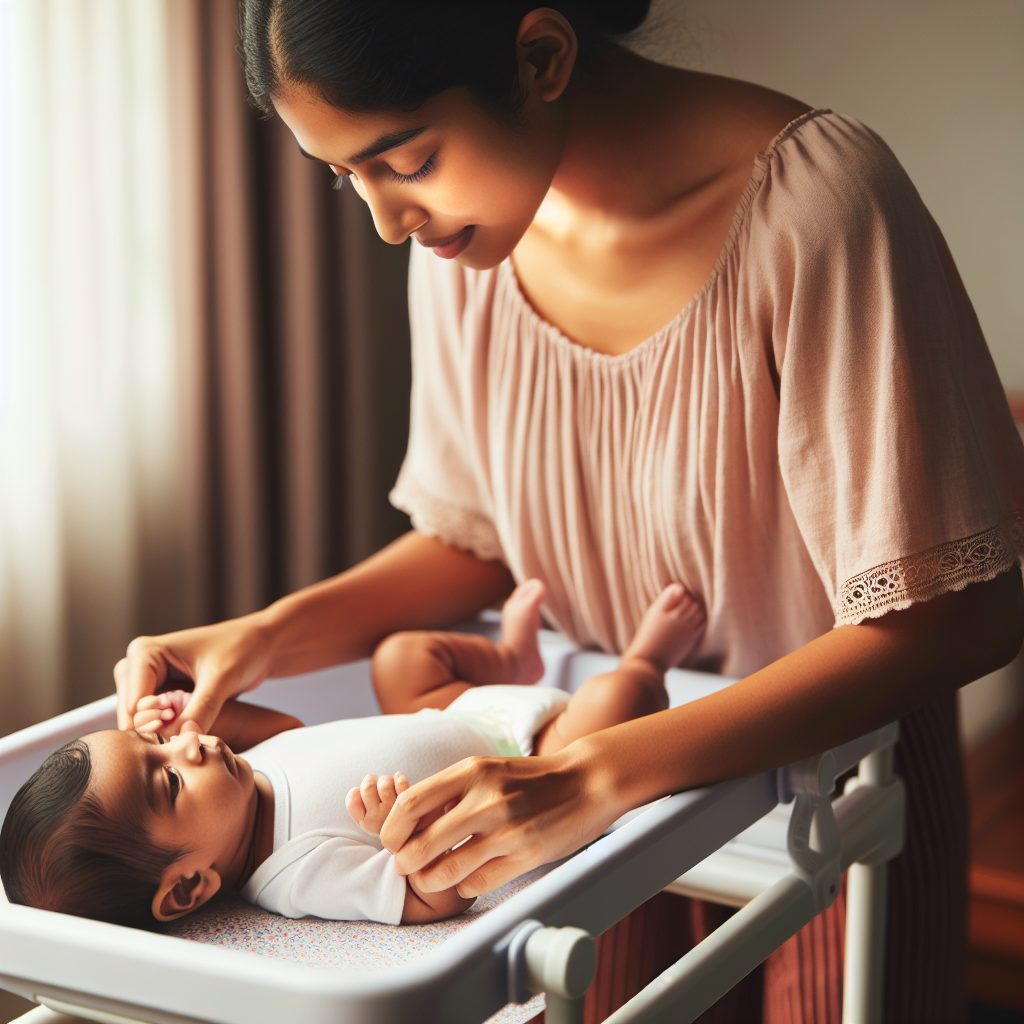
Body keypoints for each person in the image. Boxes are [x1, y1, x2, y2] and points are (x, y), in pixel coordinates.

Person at [116, 2, 1024, 1020]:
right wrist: (271, 632)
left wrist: (594, 773)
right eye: (344, 177)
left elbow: (960, 609)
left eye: (403, 159)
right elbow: (476, 542)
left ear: (540, 56)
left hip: (820, 796)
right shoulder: (465, 250)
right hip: (579, 814)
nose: (383, 220)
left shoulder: (816, 212)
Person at [0, 582, 700, 928]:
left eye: (158, 743)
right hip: (534, 764)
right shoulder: (295, 874)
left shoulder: (247, 785)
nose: (192, 743)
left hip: (457, 711)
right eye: (170, 779)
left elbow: (290, 725)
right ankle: (649, 657)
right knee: (612, 697)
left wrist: (187, 707)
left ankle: (511, 659)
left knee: (401, 656)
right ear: (188, 888)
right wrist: (403, 833)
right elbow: (433, 901)